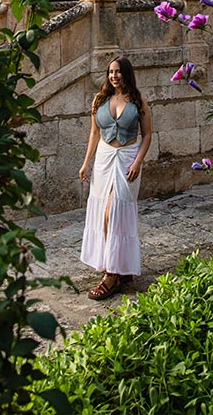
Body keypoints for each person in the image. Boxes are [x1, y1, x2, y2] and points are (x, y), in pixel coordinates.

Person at [79, 56, 152, 300]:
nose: (114, 76)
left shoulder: (138, 100)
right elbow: (94, 133)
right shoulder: (100, 100)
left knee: (115, 211)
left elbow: (148, 134)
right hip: (103, 158)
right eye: (110, 72)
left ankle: (111, 275)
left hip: (127, 158)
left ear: (126, 74)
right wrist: (86, 162)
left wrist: (138, 162)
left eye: (118, 72)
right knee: (103, 212)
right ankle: (119, 267)